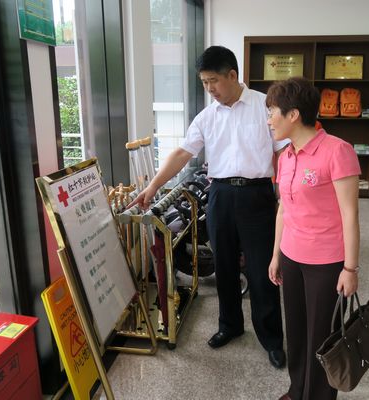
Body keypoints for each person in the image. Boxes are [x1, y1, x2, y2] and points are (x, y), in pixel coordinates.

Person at [131, 45, 287, 368]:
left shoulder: (264, 107)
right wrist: (153, 186)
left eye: (213, 81)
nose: (209, 89)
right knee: (224, 266)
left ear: (233, 75)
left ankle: (271, 338)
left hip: (257, 195)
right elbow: (182, 153)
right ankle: (230, 325)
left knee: (261, 270)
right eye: (204, 82)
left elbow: (285, 151)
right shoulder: (206, 117)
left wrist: (289, 194)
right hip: (220, 195)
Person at [266, 77, 360, 400]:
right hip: (292, 256)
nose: (269, 120)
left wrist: (350, 268)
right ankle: (297, 390)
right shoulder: (285, 156)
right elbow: (283, 208)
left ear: (293, 114)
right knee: (296, 331)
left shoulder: (337, 151)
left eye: (272, 112)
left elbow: (350, 214)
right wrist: (276, 255)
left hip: (327, 263)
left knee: (322, 337)